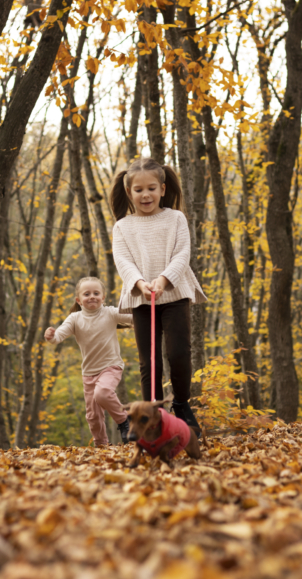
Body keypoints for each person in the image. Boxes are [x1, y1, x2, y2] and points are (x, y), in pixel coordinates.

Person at [110, 157, 207, 434]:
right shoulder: (123, 226)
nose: (146, 195)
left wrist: (164, 280)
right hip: (142, 299)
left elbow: (182, 254)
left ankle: (181, 404)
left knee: (179, 353)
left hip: (174, 295)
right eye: (139, 190)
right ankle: (154, 414)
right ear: (129, 192)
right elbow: (123, 260)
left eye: (151, 188)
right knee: (149, 361)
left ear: (162, 189)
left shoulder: (175, 218)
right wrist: (140, 283)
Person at [44, 276, 132, 446]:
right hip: (89, 373)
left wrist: (148, 310)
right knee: (93, 416)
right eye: (87, 294)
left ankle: (124, 421)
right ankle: (101, 446)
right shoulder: (75, 318)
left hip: (111, 366)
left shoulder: (111, 313)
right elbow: (58, 336)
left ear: (103, 297)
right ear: (79, 300)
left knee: (103, 393)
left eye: (96, 293)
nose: (92, 296)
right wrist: (51, 336)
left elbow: (134, 317)